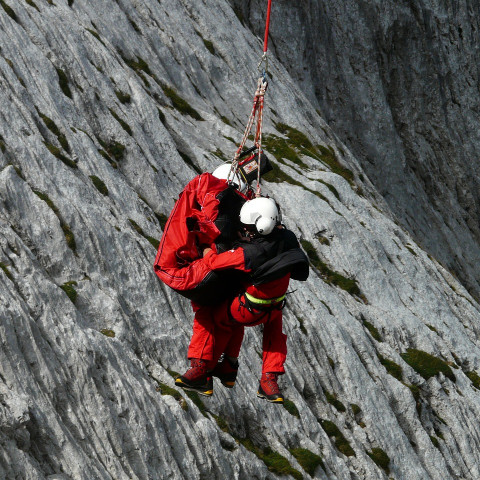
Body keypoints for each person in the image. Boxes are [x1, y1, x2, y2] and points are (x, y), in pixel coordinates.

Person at [175, 197, 309, 403]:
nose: (246, 231)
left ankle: (202, 370)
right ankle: (267, 379)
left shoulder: (249, 254)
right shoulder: (288, 238)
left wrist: (206, 247)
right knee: (273, 334)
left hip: (247, 310)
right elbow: (267, 241)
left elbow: (214, 263)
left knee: (209, 314)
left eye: (249, 228)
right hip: (274, 308)